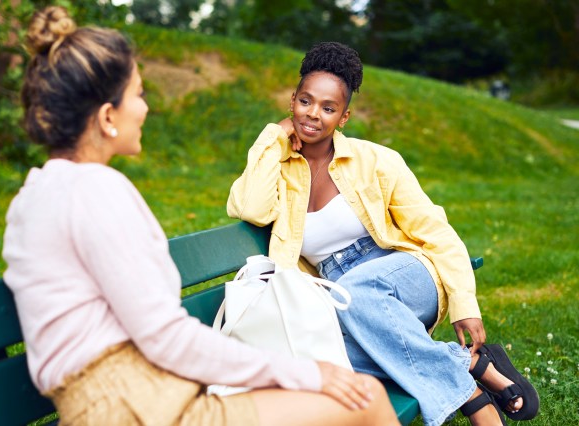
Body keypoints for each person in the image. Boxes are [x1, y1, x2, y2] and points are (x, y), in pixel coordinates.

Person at [1, 7, 400, 426]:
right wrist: (308, 372)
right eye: (137, 94)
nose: (145, 107)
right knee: (365, 398)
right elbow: (165, 338)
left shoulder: (37, 194)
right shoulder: (94, 191)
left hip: (126, 398)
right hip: (141, 408)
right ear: (106, 117)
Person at [227, 42, 539, 426]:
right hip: (339, 293)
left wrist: (464, 303)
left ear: (343, 117)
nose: (313, 115)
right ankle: (469, 363)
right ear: (292, 101)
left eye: (328, 108)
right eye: (305, 102)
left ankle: (476, 403)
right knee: (317, 356)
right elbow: (250, 208)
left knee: (361, 294)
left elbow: (436, 231)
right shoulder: (280, 167)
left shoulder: (376, 161)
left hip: (404, 273)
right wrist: (274, 135)